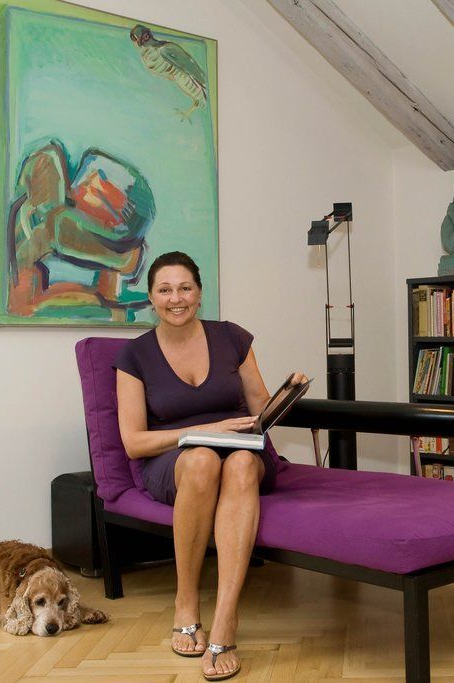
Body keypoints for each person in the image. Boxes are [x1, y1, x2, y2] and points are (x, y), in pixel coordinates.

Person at [114, 251, 305, 681]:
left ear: (199, 294)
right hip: (174, 460)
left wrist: (287, 395)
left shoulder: (232, 337)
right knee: (202, 460)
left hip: (242, 452)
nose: (176, 298)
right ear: (151, 298)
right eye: (165, 290)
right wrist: (204, 430)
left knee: (239, 464)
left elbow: (261, 411)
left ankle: (225, 619)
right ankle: (186, 602)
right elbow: (133, 442)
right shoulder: (134, 355)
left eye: (185, 288)